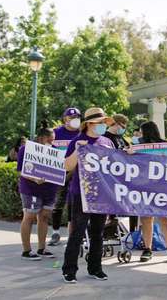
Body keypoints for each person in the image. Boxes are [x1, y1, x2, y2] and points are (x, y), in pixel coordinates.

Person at [62, 107, 115, 283]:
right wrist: (78, 150)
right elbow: (67, 166)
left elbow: (117, 165)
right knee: (77, 233)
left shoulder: (107, 142)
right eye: (100, 123)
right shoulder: (77, 141)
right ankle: (69, 270)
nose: (103, 126)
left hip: (102, 195)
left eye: (104, 123)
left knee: (98, 234)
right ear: (89, 124)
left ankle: (95, 268)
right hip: (81, 194)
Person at [138, 121, 167, 264]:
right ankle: (160, 249)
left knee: (159, 219)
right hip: (150, 187)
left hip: (158, 187)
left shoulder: (165, 146)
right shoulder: (138, 147)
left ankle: (165, 249)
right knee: (154, 219)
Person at [17, 121, 58, 260]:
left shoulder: (54, 150)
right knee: (29, 216)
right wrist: (34, 179)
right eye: (50, 139)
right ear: (41, 138)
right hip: (31, 189)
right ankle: (26, 251)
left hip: (50, 189)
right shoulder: (25, 149)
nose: (52, 142)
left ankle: (42, 248)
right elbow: (21, 171)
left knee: (44, 217)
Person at [48, 107, 81, 246]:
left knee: (73, 205)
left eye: (76, 118)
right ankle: (55, 232)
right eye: (70, 118)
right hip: (60, 173)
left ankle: (72, 235)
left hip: (78, 174)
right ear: (65, 119)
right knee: (58, 204)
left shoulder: (82, 133)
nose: (73, 121)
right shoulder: (56, 132)